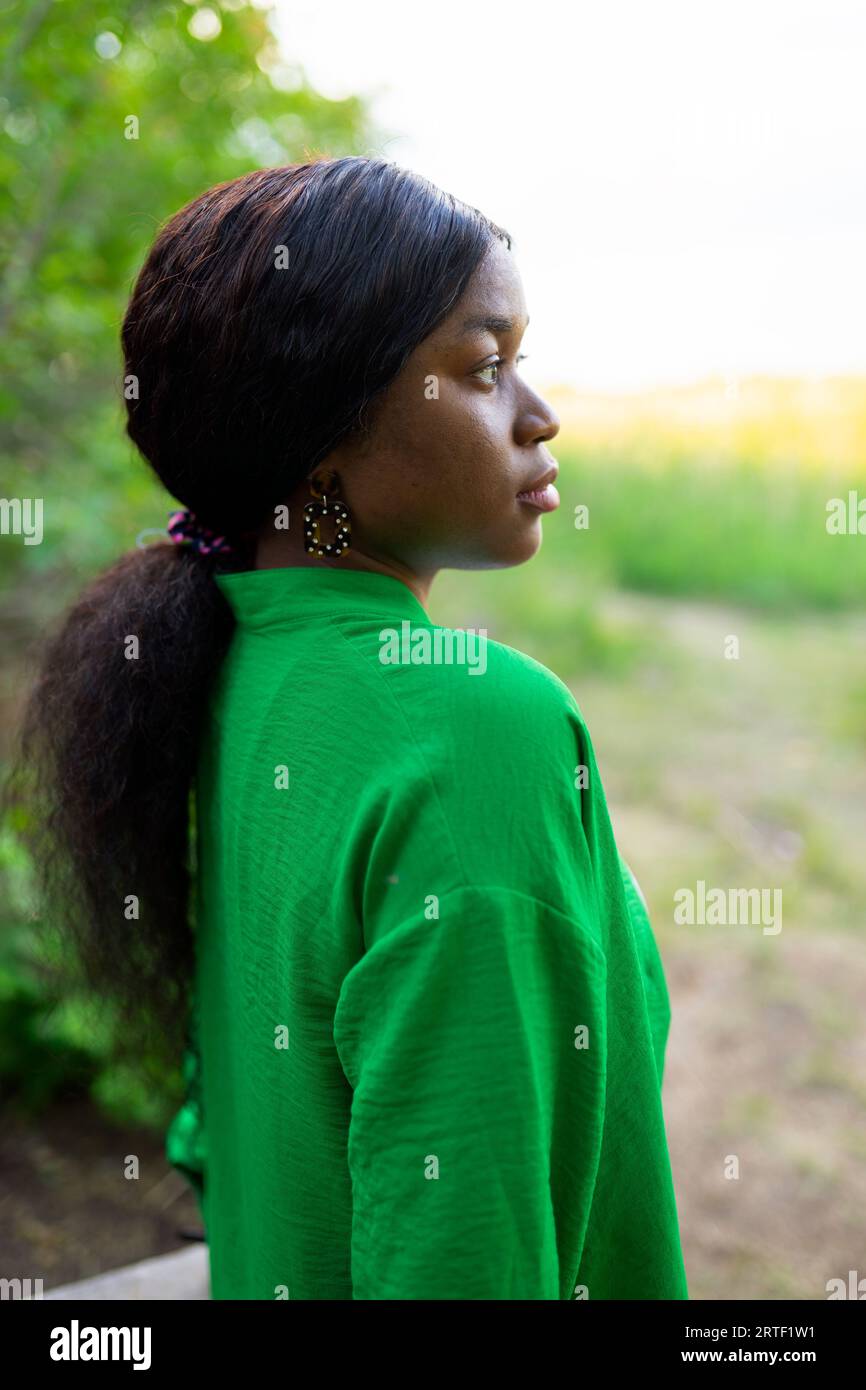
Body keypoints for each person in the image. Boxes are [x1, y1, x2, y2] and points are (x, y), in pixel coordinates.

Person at [14, 157, 688, 1300]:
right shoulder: (474, 728)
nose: (538, 414)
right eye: (482, 368)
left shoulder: (231, 659)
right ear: (323, 438)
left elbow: (226, 1125)